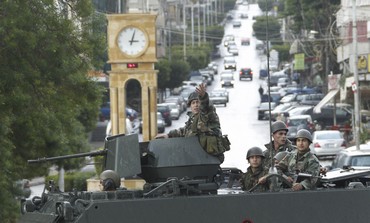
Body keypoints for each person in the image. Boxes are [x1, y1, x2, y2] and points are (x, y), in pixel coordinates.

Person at [156, 83, 227, 162]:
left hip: (209, 158)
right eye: (193, 103)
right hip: (197, 157)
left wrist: (203, 97)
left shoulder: (208, 115)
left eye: (198, 102)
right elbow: (185, 131)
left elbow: (206, 107)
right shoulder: (192, 119)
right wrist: (168, 135)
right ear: (190, 106)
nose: (196, 105)